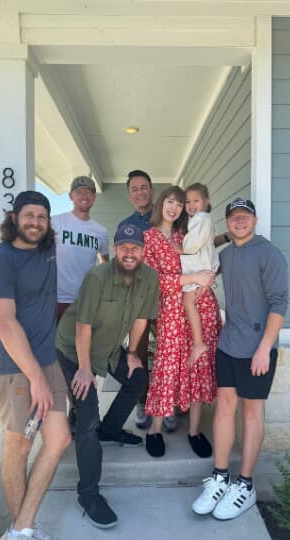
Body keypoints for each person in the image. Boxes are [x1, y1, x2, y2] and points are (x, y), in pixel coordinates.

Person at [54, 222, 159, 528]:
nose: (129, 252)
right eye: (123, 247)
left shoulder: (149, 277)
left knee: (137, 378)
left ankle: (110, 431)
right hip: (74, 350)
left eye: (135, 247)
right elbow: (82, 326)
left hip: (111, 347)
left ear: (142, 251)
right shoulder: (98, 277)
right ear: (114, 250)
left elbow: (142, 319)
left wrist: (131, 353)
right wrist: (85, 370)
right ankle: (87, 494)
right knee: (87, 417)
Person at [0, 191, 71, 540]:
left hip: (46, 362)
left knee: (60, 440)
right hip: (15, 368)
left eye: (42, 217)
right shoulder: (0, 259)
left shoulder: (47, 250)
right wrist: (36, 378)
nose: (35, 222)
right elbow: (5, 323)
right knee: (19, 447)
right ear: (15, 217)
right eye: (29, 215)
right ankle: (22, 532)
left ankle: (21, 528)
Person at [192, 197, 288, 521]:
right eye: (234, 217)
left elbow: (279, 303)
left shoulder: (269, 253)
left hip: (257, 348)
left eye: (245, 216)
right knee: (224, 408)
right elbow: (206, 263)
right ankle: (220, 477)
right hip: (228, 344)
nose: (240, 221)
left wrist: (265, 348)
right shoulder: (226, 255)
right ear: (228, 223)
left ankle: (245, 485)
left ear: (255, 220)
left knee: (251, 412)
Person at [142, 186, 221, 458]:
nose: (174, 207)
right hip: (172, 312)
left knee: (198, 366)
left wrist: (206, 279)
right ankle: (155, 429)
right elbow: (151, 282)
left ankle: (195, 430)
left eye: (179, 203)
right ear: (161, 204)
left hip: (201, 305)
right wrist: (191, 279)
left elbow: (207, 262)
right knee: (167, 365)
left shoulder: (186, 235)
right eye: (170, 202)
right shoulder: (149, 238)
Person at [117, 169, 156, 430]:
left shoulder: (168, 216)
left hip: (169, 297)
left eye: (144, 187)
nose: (140, 192)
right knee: (138, 350)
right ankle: (143, 400)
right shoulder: (126, 225)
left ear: (151, 190)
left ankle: (168, 401)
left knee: (168, 351)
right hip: (139, 298)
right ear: (129, 195)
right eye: (134, 189)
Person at [52, 175, 109, 322]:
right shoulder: (55, 222)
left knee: (81, 344)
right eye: (79, 192)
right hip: (54, 300)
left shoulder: (100, 231)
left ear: (94, 197)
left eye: (89, 192)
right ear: (71, 196)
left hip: (84, 301)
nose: (85, 196)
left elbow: (105, 264)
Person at [179, 183, 217, 365]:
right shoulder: (197, 220)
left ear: (206, 202)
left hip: (198, 269)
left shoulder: (203, 218)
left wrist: (179, 248)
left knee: (188, 301)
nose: (191, 205)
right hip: (200, 269)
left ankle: (199, 343)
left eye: (196, 200)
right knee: (189, 302)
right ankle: (199, 343)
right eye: (187, 201)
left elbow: (193, 244)